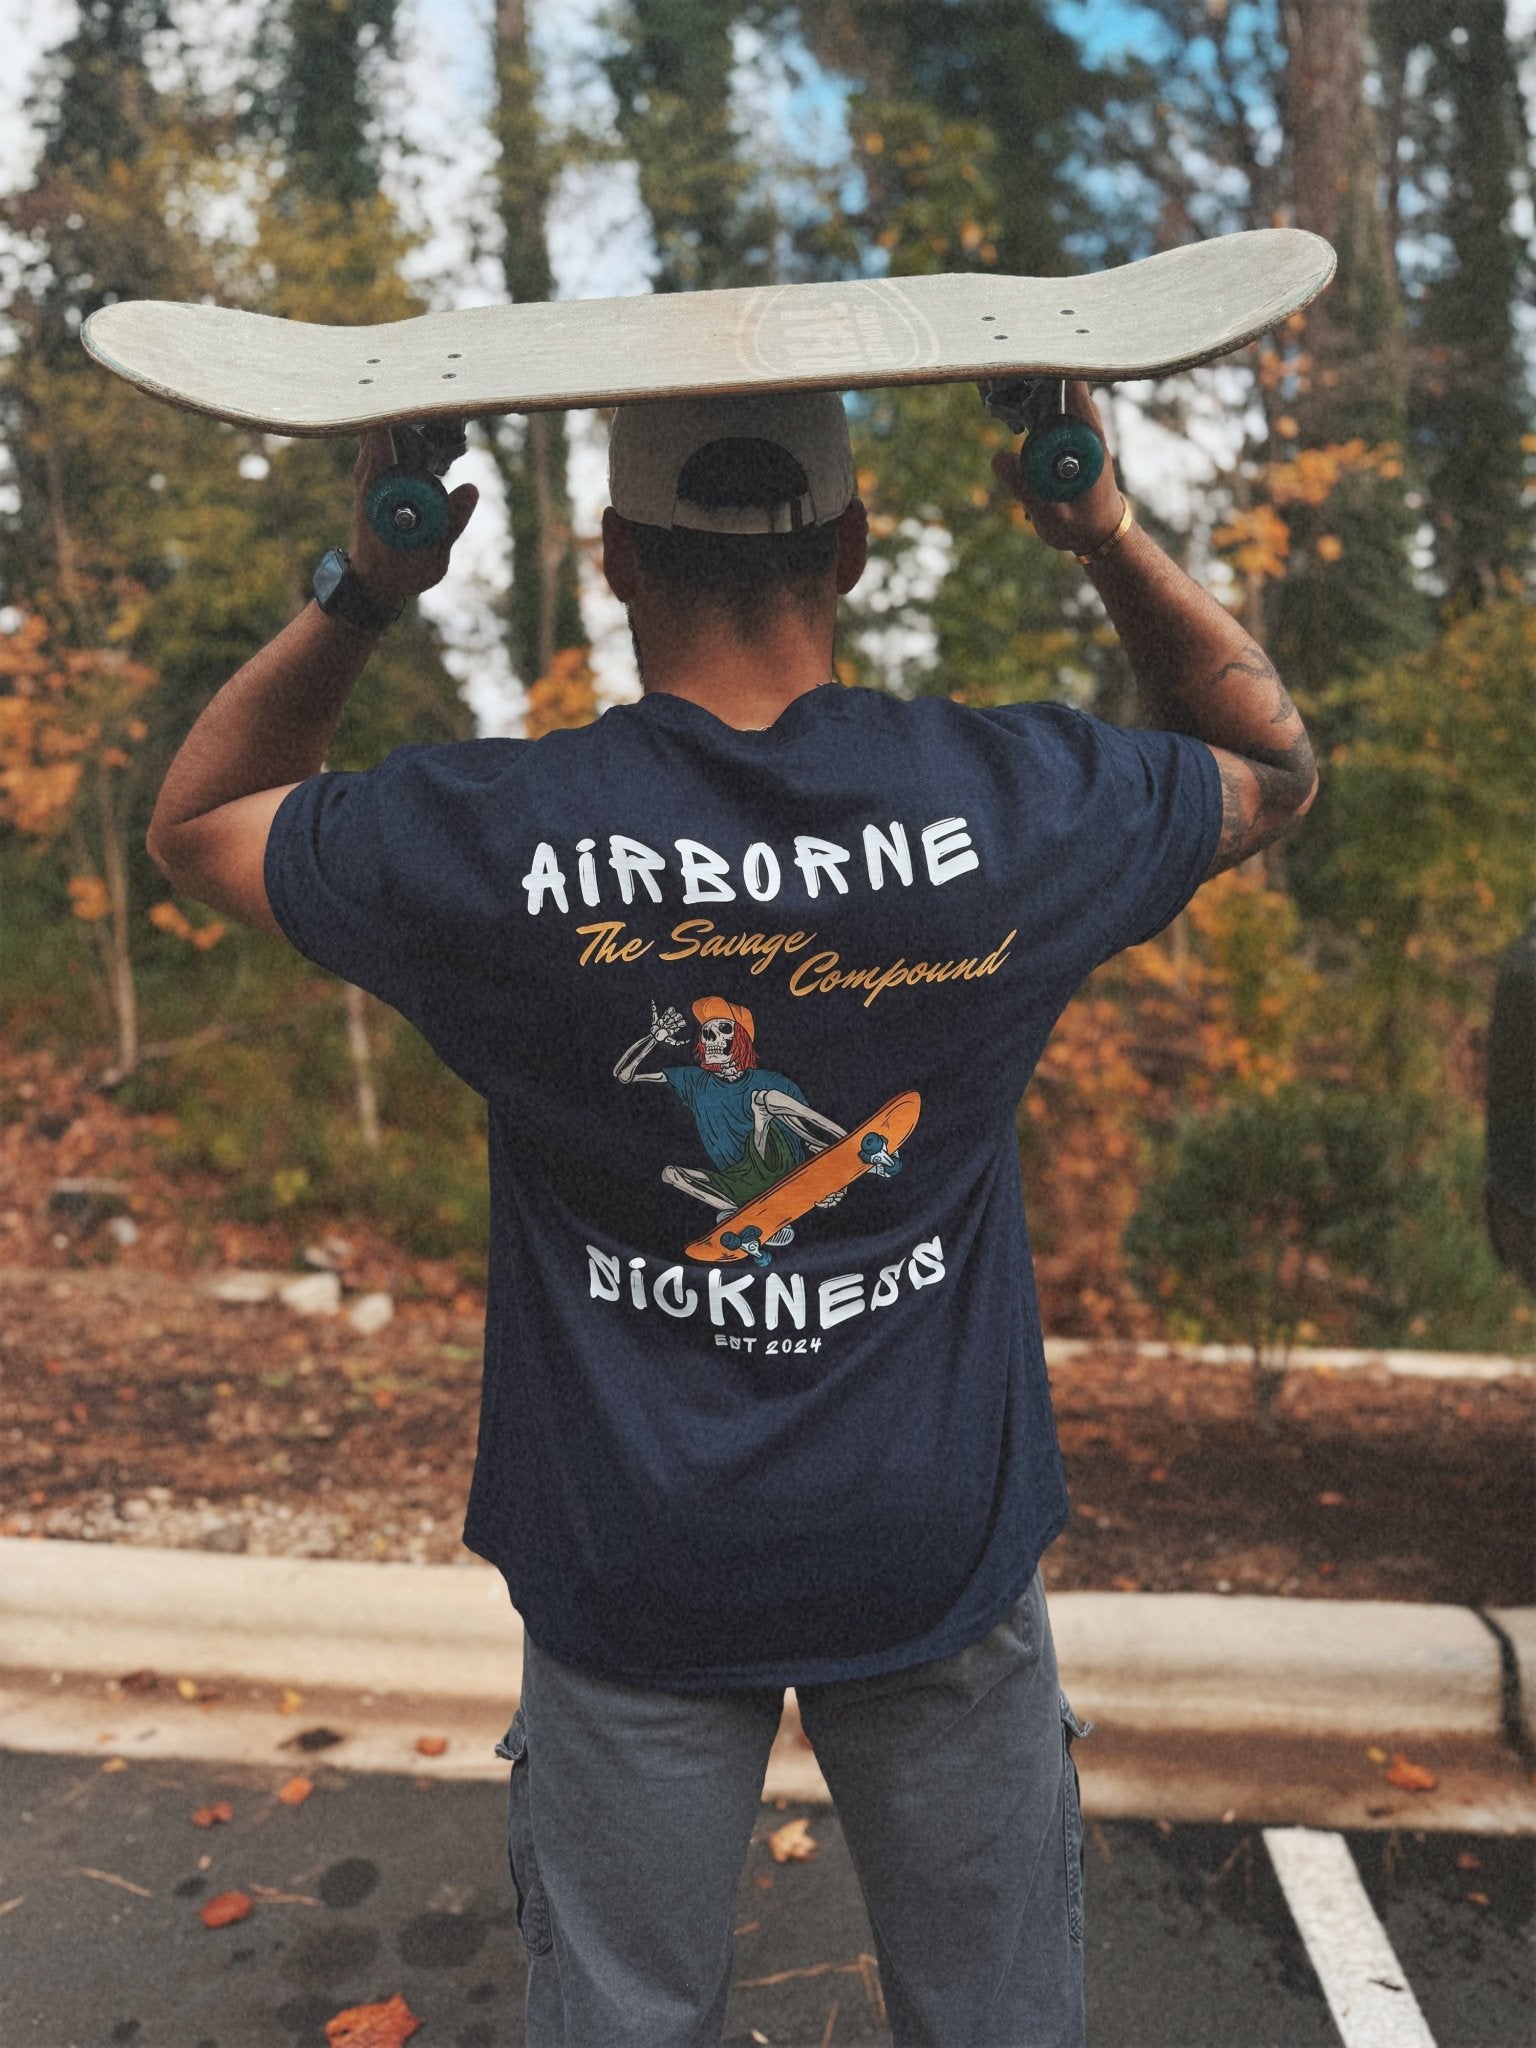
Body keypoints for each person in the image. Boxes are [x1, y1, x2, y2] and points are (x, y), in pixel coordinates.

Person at [146, 379, 1316, 2047]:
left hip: (634, 1559)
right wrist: (1103, 528)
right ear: (852, 546)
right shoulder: (1015, 803)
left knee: (626, 2021)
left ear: (615, 555)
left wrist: (371, 584)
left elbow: (199, 822)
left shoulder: (494, 839)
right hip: (932, 1538)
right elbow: (1273, 765)